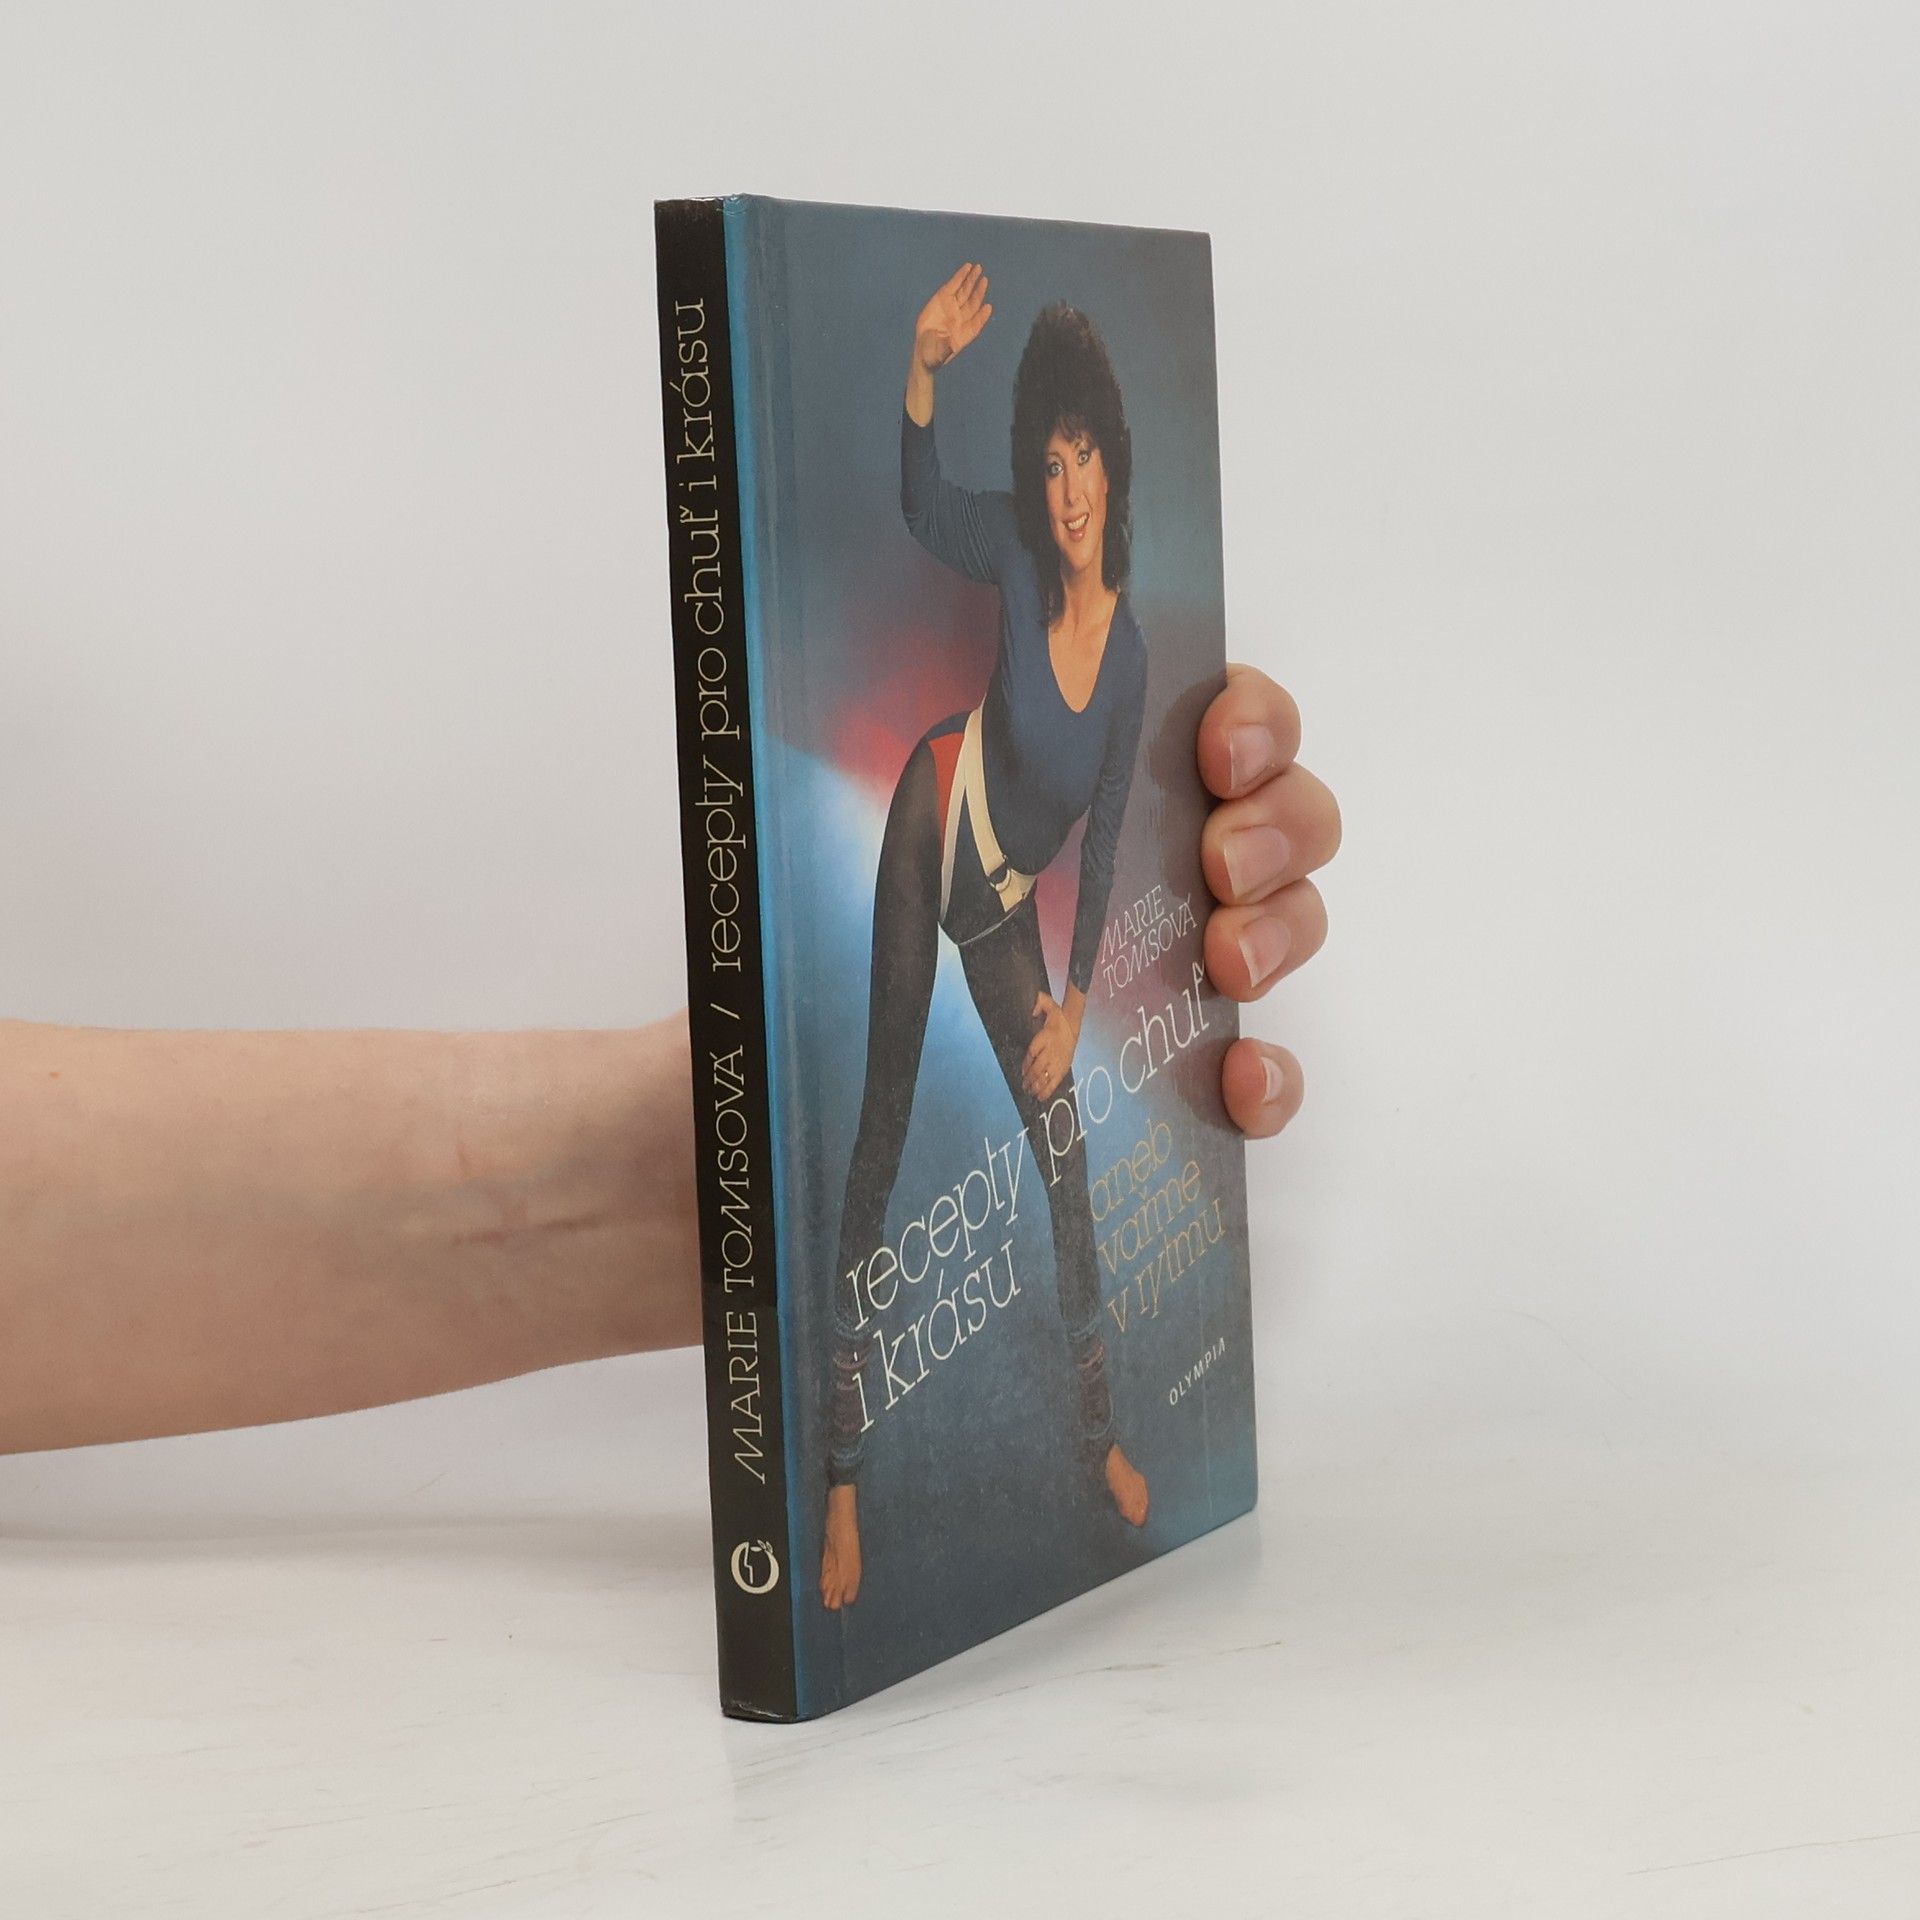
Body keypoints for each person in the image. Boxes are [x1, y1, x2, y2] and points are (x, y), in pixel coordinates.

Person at [823, 266, 1155, 1610]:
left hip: (1007, 903)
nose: (1066, 495)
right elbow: (921, 508)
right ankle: (841, 1474)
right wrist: (920, 369)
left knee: (1063, 1156)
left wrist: (1073, 1006)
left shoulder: (1130, 660)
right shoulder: (1015, 543)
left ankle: (1097, 1437)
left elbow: (1110, 835)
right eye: (1051, 464)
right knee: (883, 1125)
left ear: (1115, 469)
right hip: (933, 812)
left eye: (1086, 464)